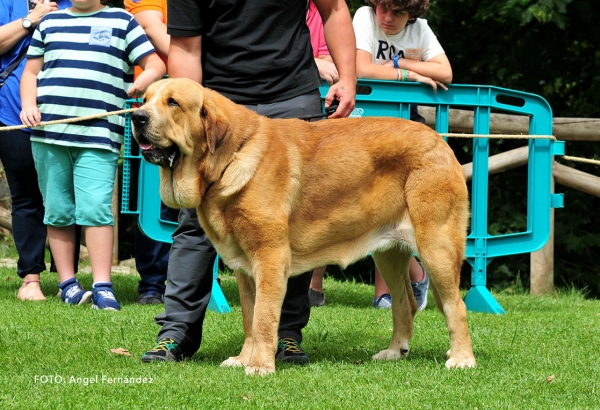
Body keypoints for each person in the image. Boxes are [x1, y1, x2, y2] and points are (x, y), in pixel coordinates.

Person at [141, 0, 356, 364]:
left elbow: (334, 8)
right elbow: (186, 47)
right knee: (195, 219)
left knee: (289, 223)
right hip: (220, 103)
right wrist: (187, 117)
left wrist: (348, 77)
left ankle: (284, 336)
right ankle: (176, 333)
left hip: (292, 97)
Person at [19, 0, 166, 310]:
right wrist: (29, 105)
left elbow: (156, 64)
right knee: (57, 210)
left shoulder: (122, 21)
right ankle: (67, 284)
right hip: (49, 135)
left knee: (96, 208)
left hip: (99, 136)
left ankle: (103, 286)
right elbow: (31, 73)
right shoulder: (49, 23)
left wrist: (143, 80)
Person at [352, 0, 452, 310]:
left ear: (413, 14)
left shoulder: (419, 29)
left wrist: (399, 66)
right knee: (358, 205)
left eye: (397, 12)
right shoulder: (364, 17)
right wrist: (407, 76)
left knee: (397, 208)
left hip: (406, 134)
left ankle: (391, 292)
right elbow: (361, 69)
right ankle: (416, 272)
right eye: (383, 8)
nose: (387, 18)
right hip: (363, 127)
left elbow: (445, 72)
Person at [0, 0, 82, 302]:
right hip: (12, 113)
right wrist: (30, 19)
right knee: (26, 198)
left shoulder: (75, 4)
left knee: (68, 195)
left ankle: (68, 280)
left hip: (67, 115)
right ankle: (30, 279)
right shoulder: (8, 3)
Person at [124, 0, 178, 305]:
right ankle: (153, 284)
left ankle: (197, 278)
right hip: (151, 108)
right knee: (153, 199)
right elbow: (150, 25)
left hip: (192, 107)